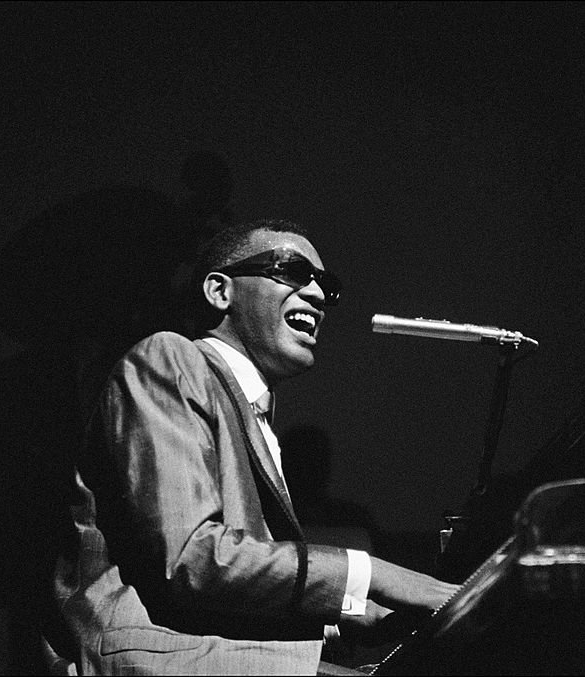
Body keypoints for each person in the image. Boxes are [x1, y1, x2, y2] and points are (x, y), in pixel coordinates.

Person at [49, 218, 459, 675]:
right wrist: (378, 577)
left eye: (326, 284)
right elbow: (192, 558)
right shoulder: (169, 358)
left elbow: (239, 584)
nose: (318, 295)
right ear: (220, 291)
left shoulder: (251, 409)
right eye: (291, 271)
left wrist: (349, 619)